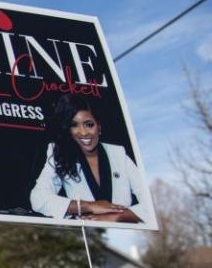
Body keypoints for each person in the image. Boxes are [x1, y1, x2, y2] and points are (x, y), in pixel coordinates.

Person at [30, 95, 151, 223]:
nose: (83, 132)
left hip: (127, 233)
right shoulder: (60, 154)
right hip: (86, 235)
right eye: (74, 125)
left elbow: (150, 203)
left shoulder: (118, 153)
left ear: (99, 126)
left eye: (89, 124)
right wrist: (86, 206)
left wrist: (117, 217)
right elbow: (38, 198)